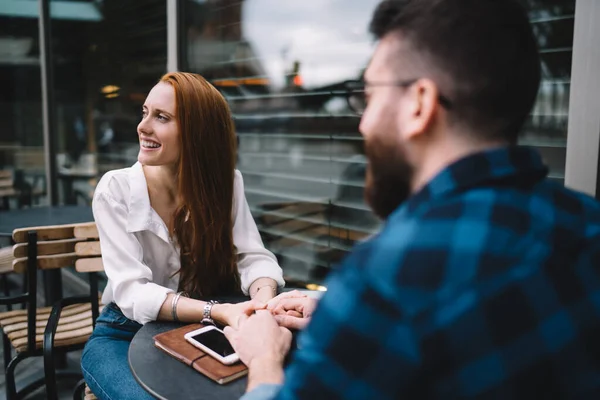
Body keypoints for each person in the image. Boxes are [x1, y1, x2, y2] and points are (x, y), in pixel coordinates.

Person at [223, 0, 600, 398]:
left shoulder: (388, 280)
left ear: (419, 103)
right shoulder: (586, 224)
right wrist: (342, 315)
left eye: (369, 95)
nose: (363, 122)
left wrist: (264, 358)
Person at [81, 72, 285, 400]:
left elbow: (253, 256)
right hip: (123, 332)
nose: (143, 127)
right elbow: (132, 292)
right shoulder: (115, 189)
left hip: (204, 329)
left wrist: (262, 303)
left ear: (197, 132)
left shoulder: (227, 183)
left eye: (161, 117)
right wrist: (218, 311)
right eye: (145, 113)